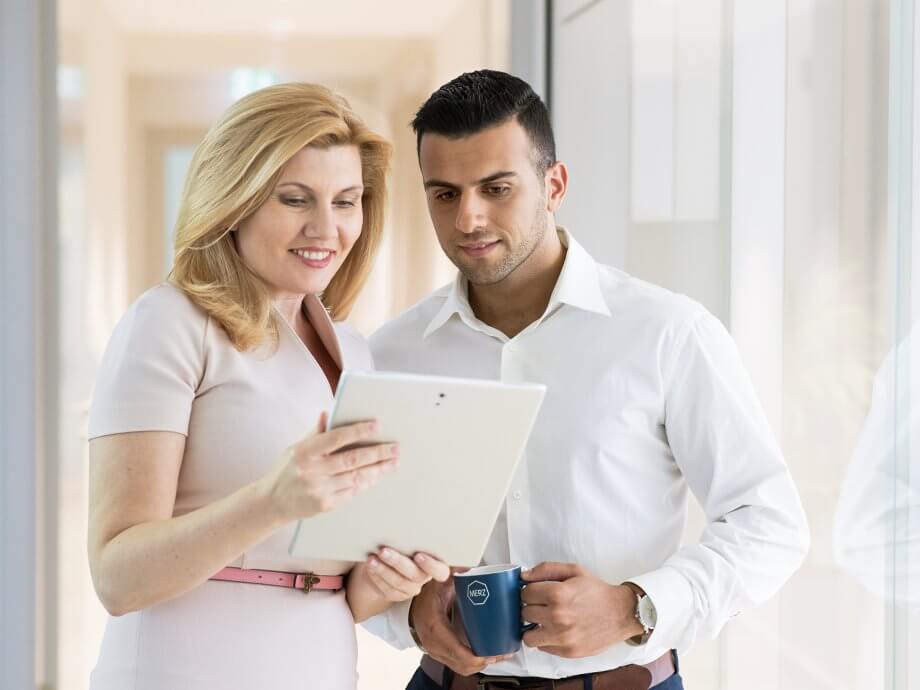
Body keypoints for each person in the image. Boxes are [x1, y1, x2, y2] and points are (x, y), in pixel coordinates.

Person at [364, 70, 811, 690]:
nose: (469, 217)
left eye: (497, 188)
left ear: (555, 185)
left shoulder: (667, 333)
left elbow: (769, 522)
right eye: (445, 194)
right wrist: (407, 615)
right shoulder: (390, 353)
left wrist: (635, 607)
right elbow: (352, 538)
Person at [86, 82, 449, 690]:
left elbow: (318, 585)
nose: (326, 228)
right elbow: (117, 577)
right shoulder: (170, 323)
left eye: (347, 201)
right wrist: (271, 500)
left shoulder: (353, 348)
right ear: (236, 200)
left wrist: (381, 580)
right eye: (295, 199)